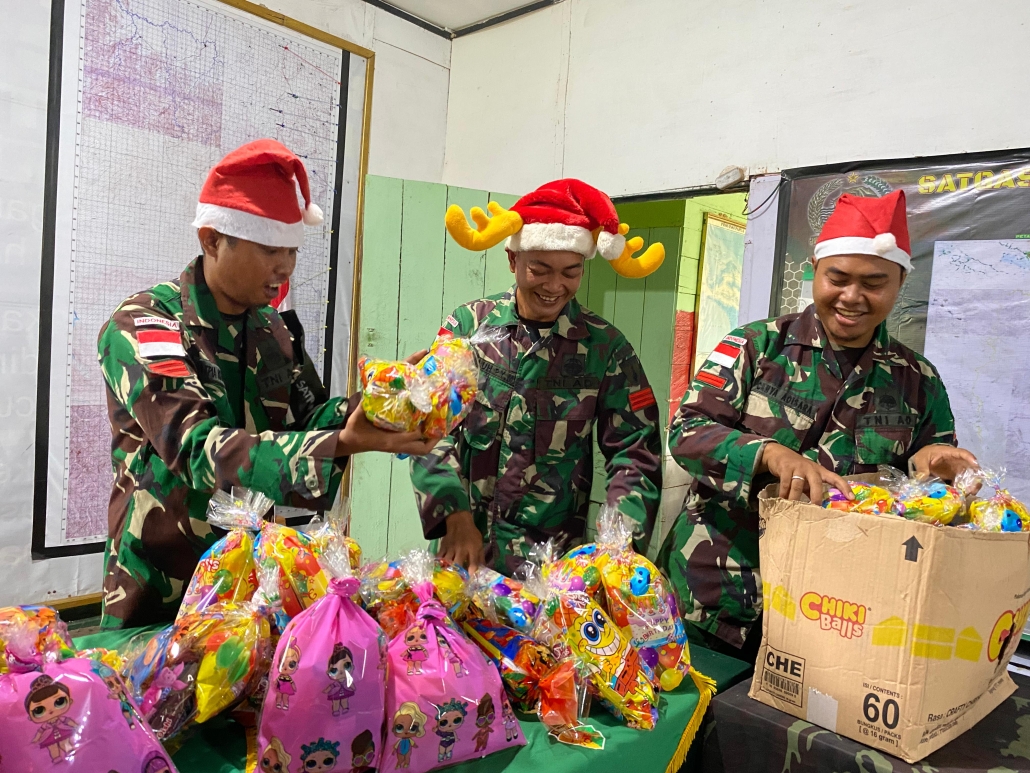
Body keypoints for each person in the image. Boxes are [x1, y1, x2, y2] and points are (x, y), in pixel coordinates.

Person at [98, 139, 434, 629]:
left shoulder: (272, 329)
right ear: (212, 240)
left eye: (292, 250)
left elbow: (310, 417)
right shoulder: (147, 325)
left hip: (252, 581)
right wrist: (342, 441)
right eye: (270, 249)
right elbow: (194, 448)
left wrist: (379, 402)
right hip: (161, 583)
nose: (286, 267)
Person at [658, 190, 977, 662]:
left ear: (900, 282)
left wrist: (934, 463)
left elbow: (929, 472)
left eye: (874, 283)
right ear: (814, 270)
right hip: (716, 596)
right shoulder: (756, 346)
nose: (852, 297)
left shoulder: (918, 379)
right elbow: (688, 430)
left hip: (836, 610)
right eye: (838, 278)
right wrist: (767, 453)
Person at [410, 179, 665, 573]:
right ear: (513, 260)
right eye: (539, 270)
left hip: (554, 571)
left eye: (571, 272)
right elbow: (427, 424)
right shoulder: (469, 326)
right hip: (462, 554)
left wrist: (617, 548)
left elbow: (635, 453)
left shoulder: (606, 349)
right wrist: (453, 516)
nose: (554, 286)